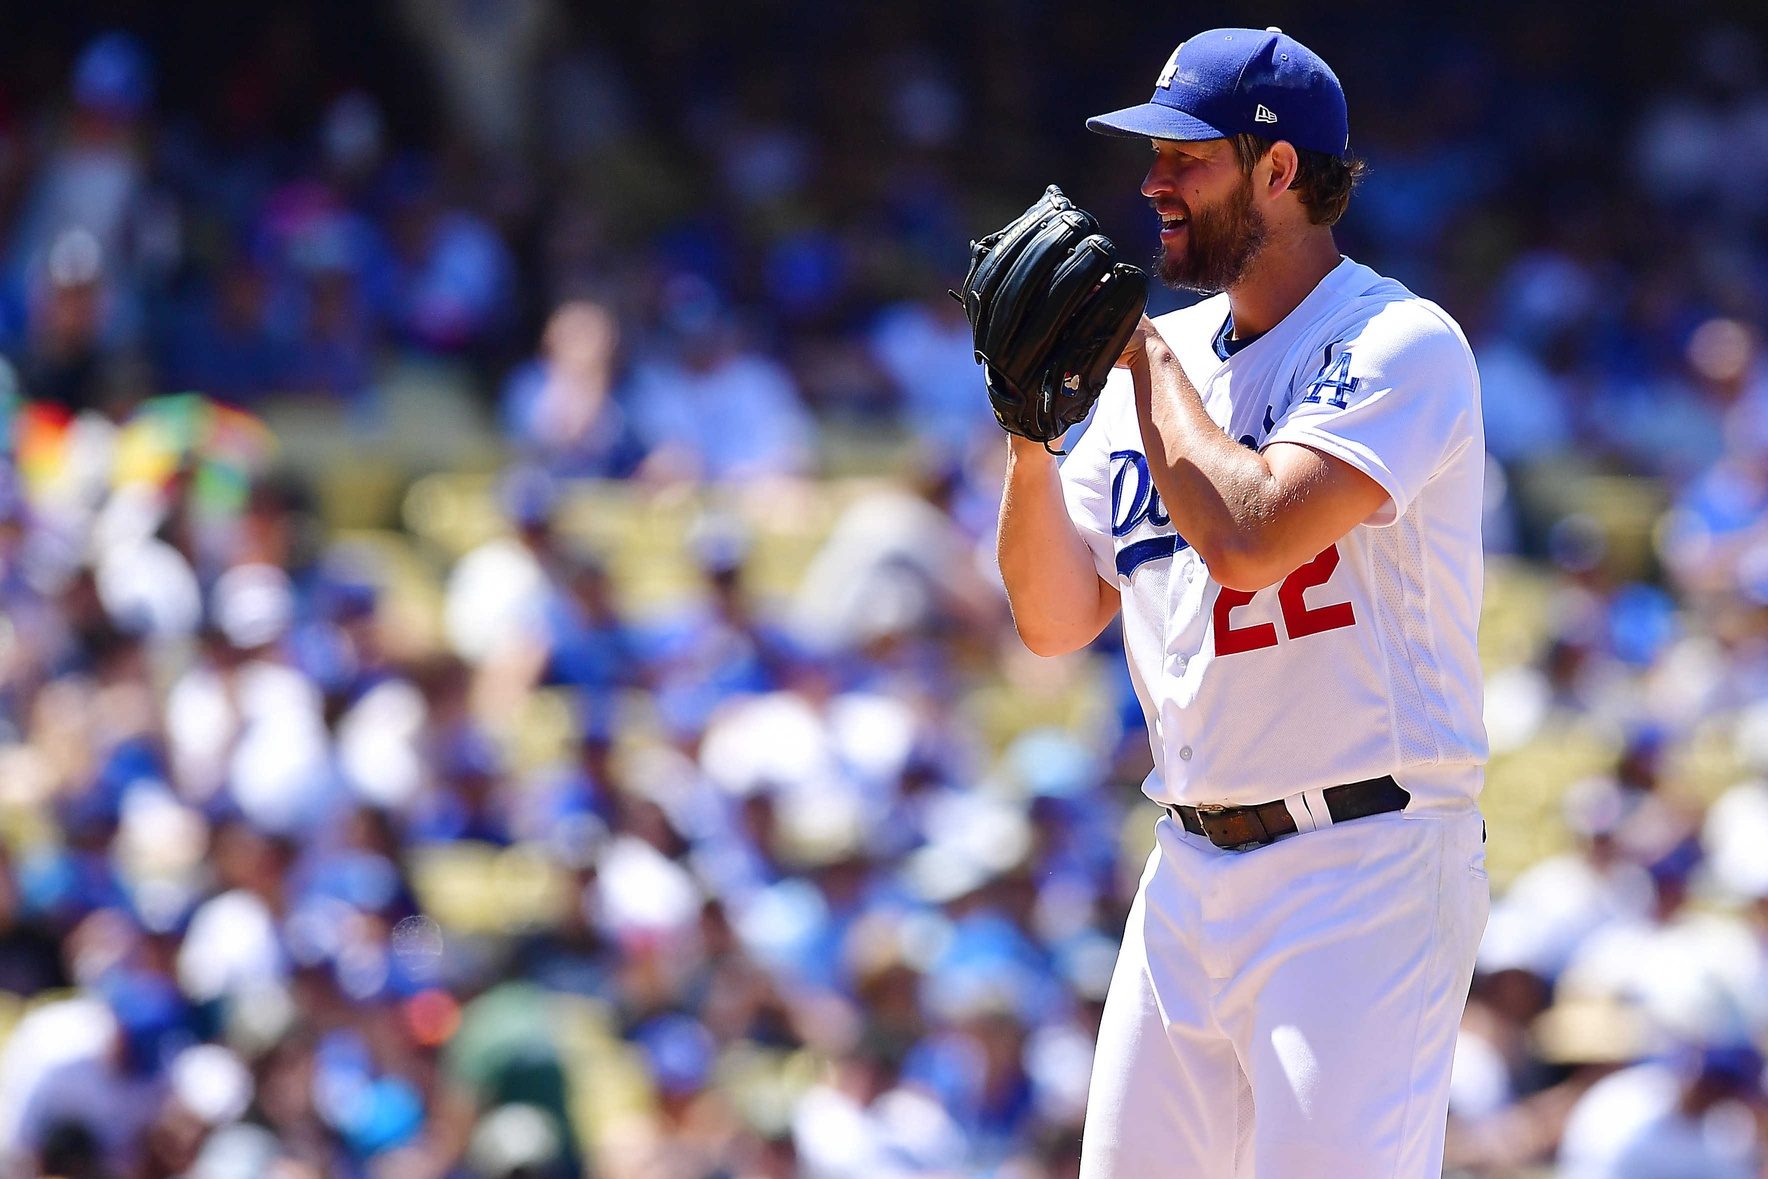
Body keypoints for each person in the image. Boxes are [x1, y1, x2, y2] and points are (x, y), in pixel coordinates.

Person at [994, 28, 1490, 1177]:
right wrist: (1028, 442)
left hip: (1362, 862)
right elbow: (1052, 619)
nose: (1151, 184)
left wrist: (1141, 364)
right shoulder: (1148, 364)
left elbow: (1250, 539)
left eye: (1187, 157)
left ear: (1280, 170)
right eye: (1152, 157)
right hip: (1186, 864)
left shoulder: (1394, 341)